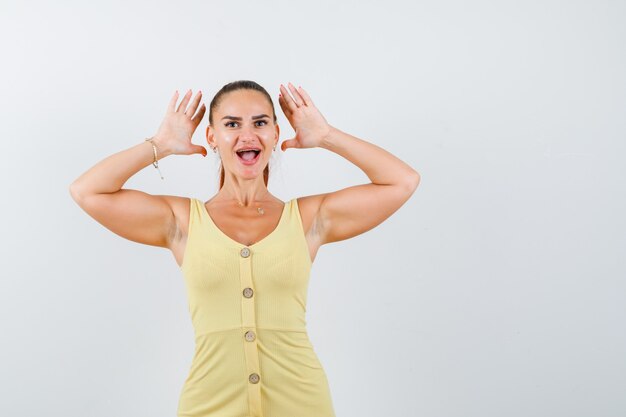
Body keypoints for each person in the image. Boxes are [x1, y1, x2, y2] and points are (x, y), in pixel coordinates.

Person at [69, 80, 420, 417]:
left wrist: (327, 136)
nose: (247, 135)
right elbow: (88, 191)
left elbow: (402, 181)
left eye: (260, 123)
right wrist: (160, 143)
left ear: (275, 134)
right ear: (212, 137)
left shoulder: (309, 219)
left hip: (302, 403)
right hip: (209, 404)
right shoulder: (182, 221)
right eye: (232, 124)